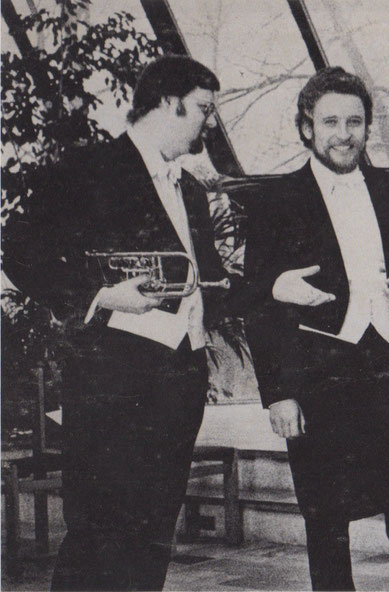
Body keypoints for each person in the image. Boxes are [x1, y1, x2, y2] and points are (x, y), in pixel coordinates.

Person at [2, 56, 229, 590]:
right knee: (100, 529)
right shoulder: (89, 169)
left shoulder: (192, 190)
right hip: (111, 378)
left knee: (153, 530)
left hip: (180, 376)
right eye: (203, 108)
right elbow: (18, 249)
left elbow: (210, 280)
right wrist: (103, 295)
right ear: (169, 103)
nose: (209, 123)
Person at [240, 66, 389, 591]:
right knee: (326, 521)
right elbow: (258, 304)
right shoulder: (275, 201)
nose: (344, 133)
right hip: (318, 376)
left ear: (367, 127)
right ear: (307, 127)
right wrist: (277, 395)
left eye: (354, 121)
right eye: (330, 121)